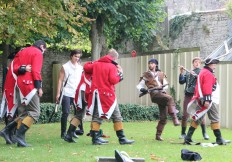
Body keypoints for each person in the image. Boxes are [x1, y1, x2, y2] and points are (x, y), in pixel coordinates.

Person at [0, 40, 46, 147]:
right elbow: (35, 71)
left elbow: (14, 69)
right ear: (42, 46)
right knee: (35, 112)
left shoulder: (22, 51)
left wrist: (23, 68)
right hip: (29, 85)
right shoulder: (38, 52)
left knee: (24, 113)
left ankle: (8, 131)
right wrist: (39, 87)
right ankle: (18, 135)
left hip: (19, 84)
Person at [84, 48, 134, 145]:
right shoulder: (111, 66)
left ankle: (96, 138)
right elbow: (113, 80)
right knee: (116, 116)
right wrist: (120, 75)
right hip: (107, 95)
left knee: (97, 116)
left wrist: (95, 61)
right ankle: (121, 139)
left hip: (96, 94)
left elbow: (86, 67)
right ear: (114, 58)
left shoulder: (96, 64)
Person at [184, 58, 230, 145]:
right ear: (209, 65)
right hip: (208, 100)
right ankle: (219, 139)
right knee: (215, 118)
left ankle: (188, 137)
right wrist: (207, 100)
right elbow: (207, 87)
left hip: (202, 98)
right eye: (214, 65)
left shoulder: (203, 72)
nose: (215, 67)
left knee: (198, 117)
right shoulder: (207, 73)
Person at [137, 58, 180, 141]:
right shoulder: (146, 75)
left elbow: (166, 85)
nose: (150, 65)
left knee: (163, 117)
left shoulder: (161, 74)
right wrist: (143, 90)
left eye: (152, 63)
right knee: (170, 98)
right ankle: (174, 117)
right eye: (149, 63)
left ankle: (158, 135)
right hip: (154, 94)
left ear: (156, 64)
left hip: (162, 94)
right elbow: (139, 86)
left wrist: (162, 88)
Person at [0, 51, 31, 144]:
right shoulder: (10, 68)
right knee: (11, 114)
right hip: (10, 90)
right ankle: (9, 134)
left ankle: (11, 134)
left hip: (16, 91)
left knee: (17, 114)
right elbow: (6, 80)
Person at [179, 57, 209, 140]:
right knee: (185, 114)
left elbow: (202, 80)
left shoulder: (201, 72)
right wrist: (181, 73)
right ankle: (182, 133)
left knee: (200, 114)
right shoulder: (188, 73)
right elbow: (181, 82)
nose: (197, 63)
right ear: (193, 63)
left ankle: (204, 133)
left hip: (197, 96)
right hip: (188, 95)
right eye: (195, 62)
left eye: (199, 62)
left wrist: (196, 75)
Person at [56, 49, 83, 139]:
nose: (77, 58)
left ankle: (72, 131)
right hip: (66, 92)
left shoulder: (80, 67)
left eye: (78, 57)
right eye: (75, 56)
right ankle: (63, 132)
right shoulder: (65, 66)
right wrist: (58, 93)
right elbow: (60, 80)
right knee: (66, 112)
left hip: (77, 93)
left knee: (77, 113)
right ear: (71, 56)